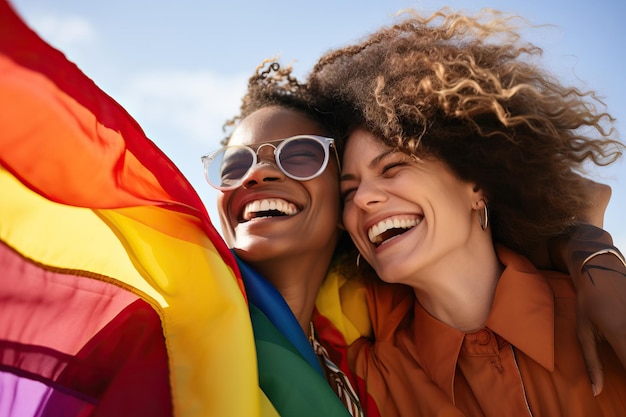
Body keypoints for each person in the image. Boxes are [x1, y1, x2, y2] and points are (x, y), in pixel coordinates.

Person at [306, 7, 626, 416]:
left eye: (392, 167)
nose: (364, 199)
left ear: (478, 182)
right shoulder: (362, 382)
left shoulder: (606, 317)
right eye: (348, 191)